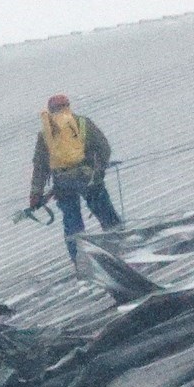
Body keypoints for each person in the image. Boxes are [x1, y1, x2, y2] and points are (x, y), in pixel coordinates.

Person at [28, 93, 123, 263]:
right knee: (106, 215)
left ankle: (80, 260)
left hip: (63, 184)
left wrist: (36, 193)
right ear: (68, 106)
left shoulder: (45, 134)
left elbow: (40, 166)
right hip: (89, 179)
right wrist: (98, 170)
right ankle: (120, 247)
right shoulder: (82, 123)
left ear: (50, 110)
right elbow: (104, 148)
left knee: (72, 223)